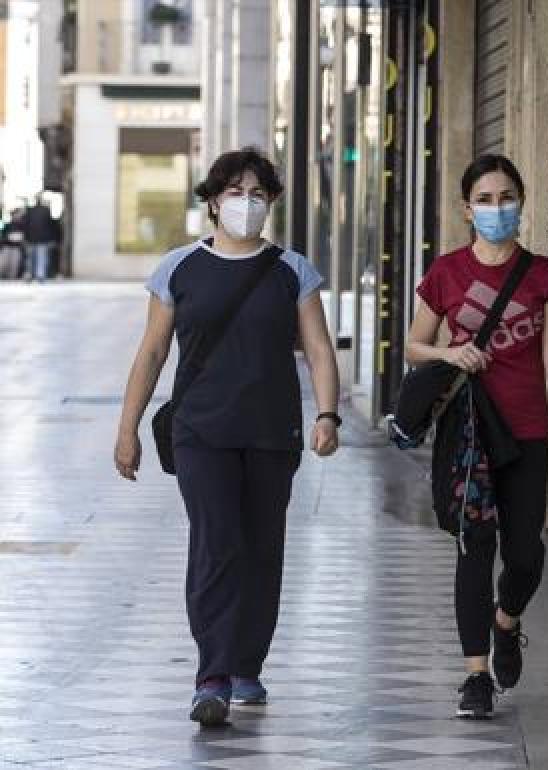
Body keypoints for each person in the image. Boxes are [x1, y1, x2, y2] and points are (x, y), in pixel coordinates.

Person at [113, 148, 341, 725]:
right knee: (216, 542)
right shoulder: (178, 268)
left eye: (258, 193)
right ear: (213, 201)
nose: (247, 203)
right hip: (200, 432)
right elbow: (153, 351)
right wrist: (127, 428)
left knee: (263, 546)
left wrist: (328, 415)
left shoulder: (293, 271)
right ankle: (212, 674)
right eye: (236, 192)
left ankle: (245, 664)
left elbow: (317, 346)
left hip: (272, 431)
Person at [404, 154, 548, 719]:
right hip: (471, 434)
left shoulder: (542, 274)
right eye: (485, 199)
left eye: (506, 197)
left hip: (527, 430)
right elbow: (414, 346)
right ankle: (475, 675)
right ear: (466, 209)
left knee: (524, 555)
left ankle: (508, 620)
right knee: (475, 548)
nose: (496, 208)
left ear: (521, 202)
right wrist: (450, 352)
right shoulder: (446, 273)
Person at [22, 194, 59, 282]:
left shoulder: (30, 211)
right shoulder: (45, 210)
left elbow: (26, 225)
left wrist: (25, 237)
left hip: (33, 238)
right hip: (41, 238)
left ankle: (32, 274)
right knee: (40, 257)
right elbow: (51, 225)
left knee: (32, 258)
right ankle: (39, 275)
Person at [0, 208, 26, 280]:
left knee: (14, 263)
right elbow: (3, 234)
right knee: (3, 263)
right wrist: (8, 237)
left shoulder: (22, 225)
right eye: (16, 214)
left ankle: (11, 277)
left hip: (17, 247)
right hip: (7, 246)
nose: (17, 216)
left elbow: (24, 236)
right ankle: (2, 276)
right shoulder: (7, 224)